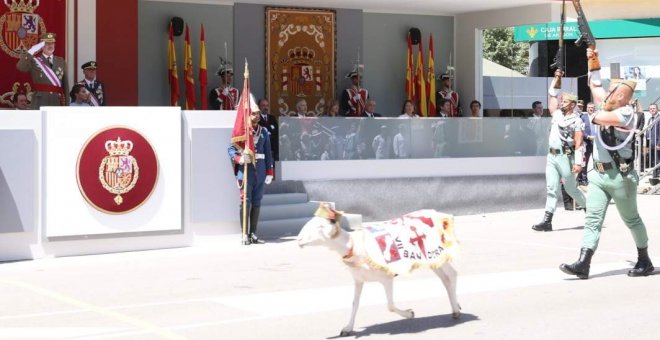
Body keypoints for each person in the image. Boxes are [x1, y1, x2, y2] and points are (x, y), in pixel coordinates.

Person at [559, 48, 654, 279]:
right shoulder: (610, 105)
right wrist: (593, 58)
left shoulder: (625, 114)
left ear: (621, 97)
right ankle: (583, 263)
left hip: (620, 178)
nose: (608, 93)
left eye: (613, 92)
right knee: (592, 218)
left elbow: (597, 117)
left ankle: (644, 260)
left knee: (631, 219)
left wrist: (594, 108)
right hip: (599, 176)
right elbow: (595, 84)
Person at [531, 70, 586, 232]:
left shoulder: (576, 120)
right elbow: (552, 94)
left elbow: (578, 142)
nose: (562, 103)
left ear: (573, 104)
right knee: (552, 188)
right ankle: (547, 221)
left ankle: (590, 210)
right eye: (562, 101)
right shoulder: (556, 114)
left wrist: (578, 162)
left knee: (571, 189)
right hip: (551, 156)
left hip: (565, 157)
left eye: (566, 101)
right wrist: (557, 78)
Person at [228, 95, 274, 245]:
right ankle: (244, 234)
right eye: (254, 113)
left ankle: (253, 233)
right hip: (246, 169)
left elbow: (268, 152)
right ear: (248, 115)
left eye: (258, 113)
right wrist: (239, 159)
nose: (257, 116)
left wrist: (270, 171)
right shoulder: (242, 132)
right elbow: (230, 150)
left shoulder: (264, 132)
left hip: (260, 170)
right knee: (245, 202)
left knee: (257, 201)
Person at [16, 33, 68, 108]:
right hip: (40, 101)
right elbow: (20, 66)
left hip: (56, 101)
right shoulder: (34, 61)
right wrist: (31, 51)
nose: (50, 45)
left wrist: (66, 104)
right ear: (41, 46)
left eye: (52, 43)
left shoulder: (61, 61)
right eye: (47, 43)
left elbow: (65, 85)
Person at [576, 102, 596, 187]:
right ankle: (584, 179)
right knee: (585, 162)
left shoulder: (598, 116)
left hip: (597, 143)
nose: (590, 109)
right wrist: (588, 137)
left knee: (597, 161)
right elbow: (581, 130)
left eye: (592, 107)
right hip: (587, 142)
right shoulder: (582, 117)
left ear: (594, 108)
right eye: (589, 107)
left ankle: (597, 180)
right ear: (586, 108)